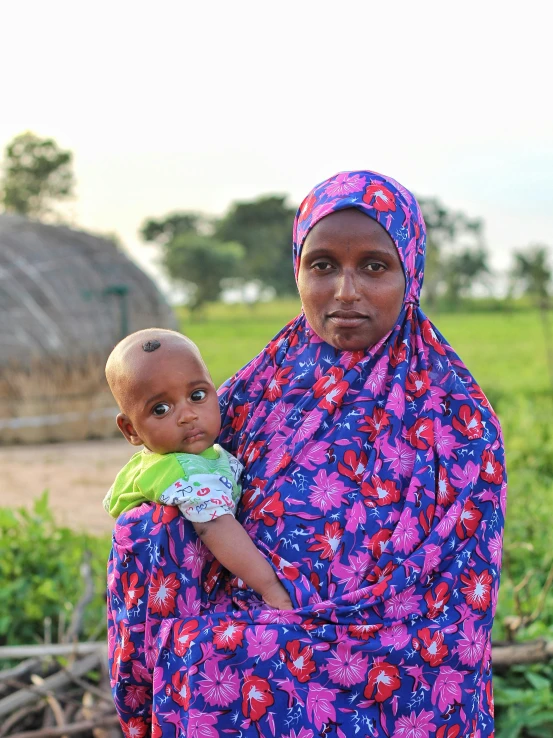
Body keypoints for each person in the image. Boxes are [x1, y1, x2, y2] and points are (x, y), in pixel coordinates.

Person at [107, 170, 506, 738]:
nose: (345, 291)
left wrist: (304, 633)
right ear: (297, 269)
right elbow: (171, 471)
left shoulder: (457, 420)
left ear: (409, 273)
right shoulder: (262, 388)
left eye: (374, 266)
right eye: (322, 266)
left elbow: (459, 602)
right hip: (238, 631)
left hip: (389, 657)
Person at [103, 329, 293, 610]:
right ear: (131, 430)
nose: (188, 415)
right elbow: (215, 525)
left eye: (197, 394)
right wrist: (269, 586)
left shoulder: (162, 460)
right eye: (161, 409)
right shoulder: (182, 471)